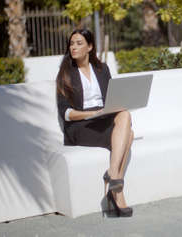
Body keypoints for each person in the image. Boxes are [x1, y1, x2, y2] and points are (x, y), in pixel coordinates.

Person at [56, 29, 133, 217]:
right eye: (71, 43)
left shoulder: (102, 69)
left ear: (90, 47)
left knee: (124, 114)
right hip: (80, 125)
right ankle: (117, 188)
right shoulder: (65, 73)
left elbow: (112, 98)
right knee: (128, 136)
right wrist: (89, 113)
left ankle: (113, 174)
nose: (73, 47)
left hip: (101, 119)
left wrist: (108, 109)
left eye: (79, 43)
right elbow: (65, 112)